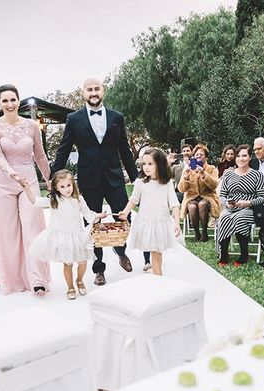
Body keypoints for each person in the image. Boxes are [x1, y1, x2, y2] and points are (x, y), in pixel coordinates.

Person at [52, 78, 138, 286]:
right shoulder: (74, 119)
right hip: (89, 180)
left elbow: (124, 149)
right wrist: (54, 179)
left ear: (103, 91)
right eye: (89, 89)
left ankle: (120, 251)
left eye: (96, 89)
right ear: (83, 93)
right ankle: (99, 269)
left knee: (124, 219)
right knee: (92, 223)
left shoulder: (117, 117)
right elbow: (64, 149)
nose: (93, 92)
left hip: (114, 178)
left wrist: (136, 178)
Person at [0, 84, 51, 295]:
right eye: (5, 100)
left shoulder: (32, 125)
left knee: (33, 228)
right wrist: (10, 172)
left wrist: (50, 180)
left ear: (19, 101)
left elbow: (40, 155)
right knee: (8, 232)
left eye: (13, 99)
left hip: (29, 183)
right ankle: (11, 279)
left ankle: (37, 279)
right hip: (4, 182)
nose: (10, 104)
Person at [20, 170, 106, 299]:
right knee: (68, 263)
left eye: (69, 185)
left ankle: (79, 280)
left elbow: (88, 214)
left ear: (73, 184)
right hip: (63, 238)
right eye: (62, 186)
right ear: (56, 187)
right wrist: (26, 188)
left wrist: (98, 216)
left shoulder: (78, 199)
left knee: (82, 262)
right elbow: (35, 201)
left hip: (77, 235)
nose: (67, 189)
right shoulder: (55, 199)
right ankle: (70, 287)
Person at [118, 148, 181, 276]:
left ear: (160, 164)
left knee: (158, 255)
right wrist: (125, 212)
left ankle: (158, 279)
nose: (146, 167)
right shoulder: (140, 182)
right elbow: (134, 200)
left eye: (150, 164)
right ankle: (159, 280)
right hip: (146, 223)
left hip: (161, 223)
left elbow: (174, 204)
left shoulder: (166, 183)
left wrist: (177, 222)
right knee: (156, 256)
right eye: (144, 164)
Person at [216, 144, 264, 266]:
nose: (241, 158)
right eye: (238, 156)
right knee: (224, 218)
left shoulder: (257, 175)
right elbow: (222, 195)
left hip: (249, 208)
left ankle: (244, 254)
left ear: (250, 158)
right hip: (231, 208)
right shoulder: (228, 174)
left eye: (244, 155)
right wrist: (227, 203)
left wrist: (248, 203)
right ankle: (224, 253)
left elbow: (262, 197)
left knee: (240, 218)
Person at [177, 143, 221, 242]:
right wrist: (186, 177)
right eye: (196, 155)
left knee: (202, 204)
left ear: (206, 157)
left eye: (201, 155)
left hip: (207, 196)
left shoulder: (211, 168)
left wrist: (203, 173)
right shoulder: (188, 169)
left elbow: (214, 184)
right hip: (191, 197)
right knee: (192, 206)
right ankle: (197, 233)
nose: (199, 156)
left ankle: (204, 232)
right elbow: (181, 189)